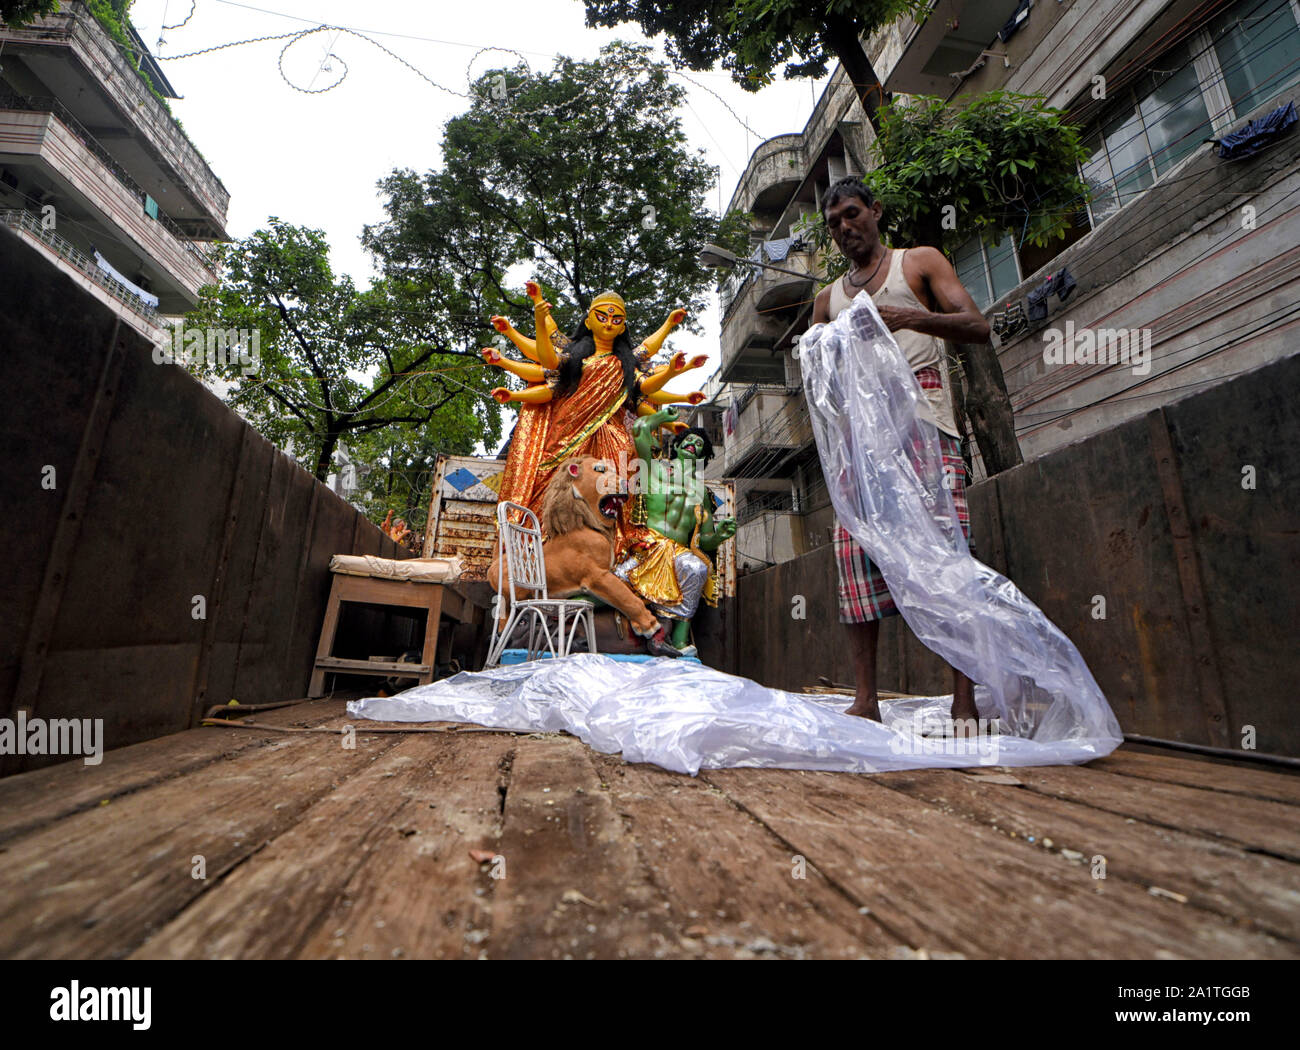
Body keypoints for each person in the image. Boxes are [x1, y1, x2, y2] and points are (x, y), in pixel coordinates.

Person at [809, 176, 991, 723]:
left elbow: (978, 326)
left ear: (875, 210)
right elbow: (817, 383)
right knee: (856, 560)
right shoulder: (827, 300)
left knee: (947, 557)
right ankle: (866, 701)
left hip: (923, 425)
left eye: (851, 213)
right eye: (834, 222)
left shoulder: (918, 262)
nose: (844, 227)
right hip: (860, 444)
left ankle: (965, 700)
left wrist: (909, 317)